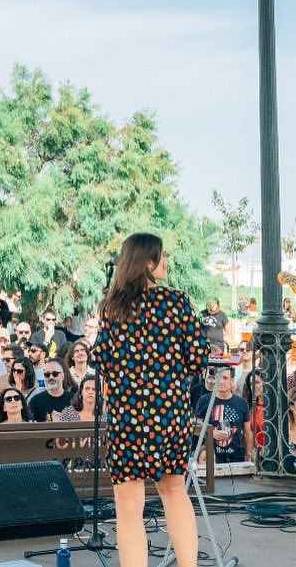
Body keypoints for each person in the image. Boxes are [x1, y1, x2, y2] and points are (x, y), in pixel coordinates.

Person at [93, 233, 207, 567]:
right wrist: (170, 371)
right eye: (162, 256)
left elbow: (102, 360)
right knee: (173, 491)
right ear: (147, 261)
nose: (167, 261)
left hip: (127, 416)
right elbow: (199, 357)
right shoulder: (177, 302)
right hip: (169, 413)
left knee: (128, 507)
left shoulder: (112, 307)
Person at [194, 369, 251, 464]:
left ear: (232, 381)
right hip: (210, 460)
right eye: (218, 377)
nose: (220, 381)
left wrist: (249, 456)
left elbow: (247, 433)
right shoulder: (204, 400)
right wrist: (211, 433)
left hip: (236, 459)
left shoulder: (242, 403)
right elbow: (195, 429)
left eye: (225, 378)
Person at [28, 357, 76, 422]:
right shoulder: (35, 401)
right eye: (47, 375)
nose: (51, 377)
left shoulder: (74, 400)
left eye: (55, 374)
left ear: (62, 376)